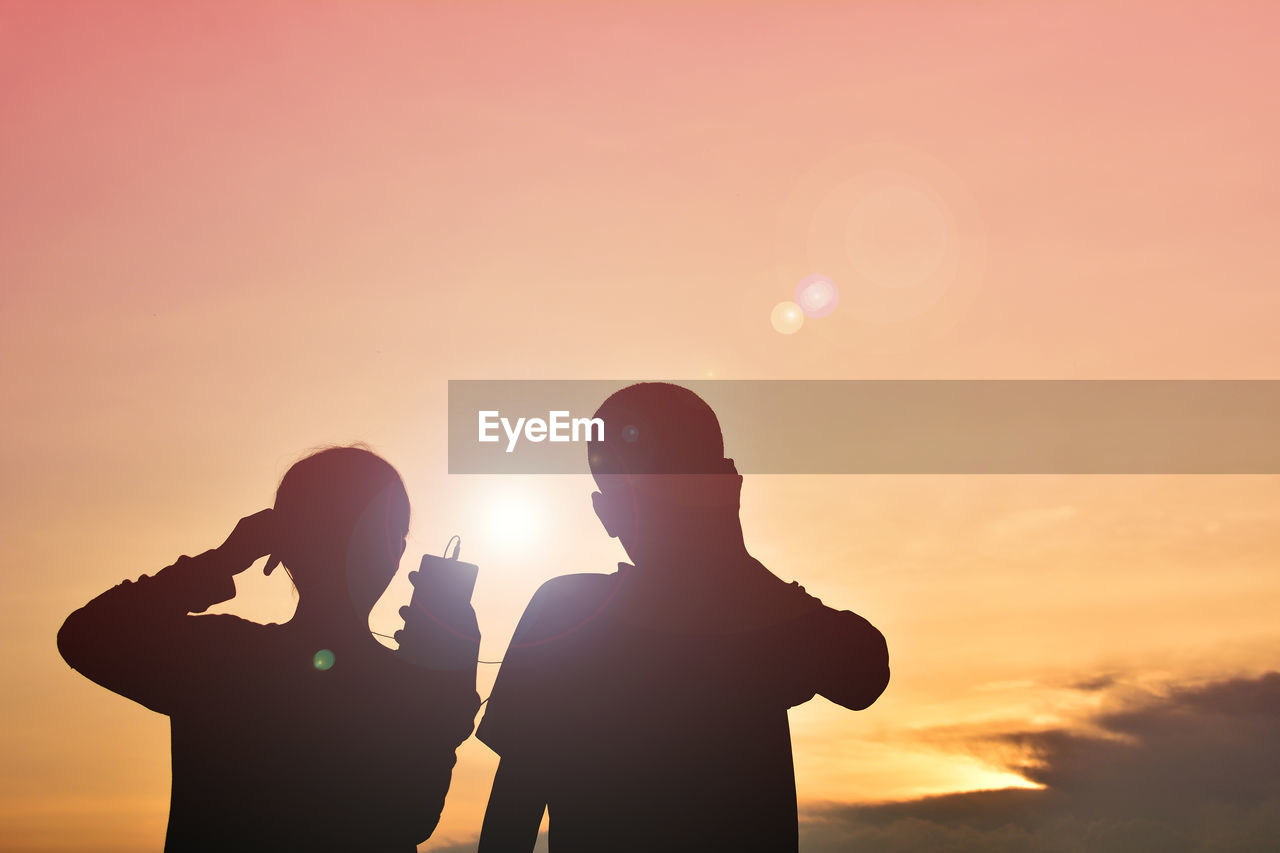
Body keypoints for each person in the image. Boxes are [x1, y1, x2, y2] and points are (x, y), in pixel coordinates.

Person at [475, 383, 890, 852]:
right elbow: (866, 673)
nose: (664, 506)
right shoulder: (759, 622)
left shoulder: (569, 615)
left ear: (604, 512)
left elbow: (865, 677)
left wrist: (738, 568)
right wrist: (739, 564)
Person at [57, 446, 480, 852]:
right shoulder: (406, 690)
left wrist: (223, 560)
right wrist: (451, 681)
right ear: (398, 556)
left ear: (283, 546)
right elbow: (412, 816)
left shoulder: (218, 658)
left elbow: (86, 635)